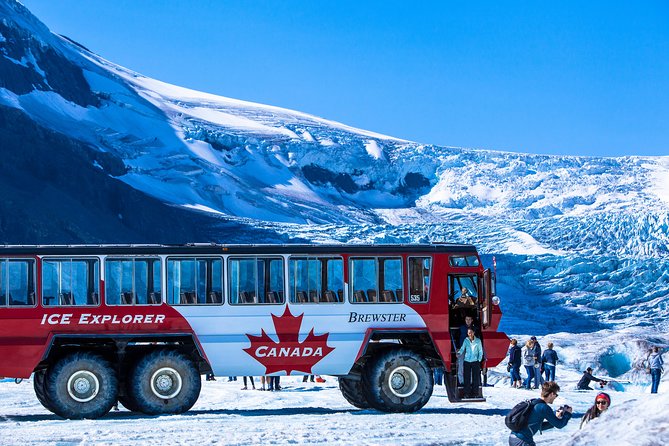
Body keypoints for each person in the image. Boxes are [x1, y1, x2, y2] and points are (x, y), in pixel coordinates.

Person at [508, 381, 573, 446]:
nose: (555, 397)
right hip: (523, 441)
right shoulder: (543, 407)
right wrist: (567, 413)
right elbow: (560, 425)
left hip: (514, 438)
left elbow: (539, 426)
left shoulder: (534, 402)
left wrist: (555, 419)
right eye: (556, 395)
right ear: (551, 394)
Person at [457, 327, 484, 398]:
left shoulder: (478, 341)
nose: (470, 334)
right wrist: (459, 353)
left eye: (471, 332)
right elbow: (463, 348)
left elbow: (480, 351)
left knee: (475, 378)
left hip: (475, 361)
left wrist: (479, 359)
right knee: (467, 378)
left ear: (474, 333)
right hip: (467, 361)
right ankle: (467, 393)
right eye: (469, 333)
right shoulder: (466, 340)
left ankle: (475, 393)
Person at [457, 315, 480, 384]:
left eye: (469, 319)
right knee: (461, 365)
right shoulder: (461, 328)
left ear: (472, 320)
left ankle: (470, 381)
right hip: (462, 349)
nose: (468, 321)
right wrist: (457, 347)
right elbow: (457, 337)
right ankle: (461, 381)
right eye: (466, 319)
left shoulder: (475, 329)